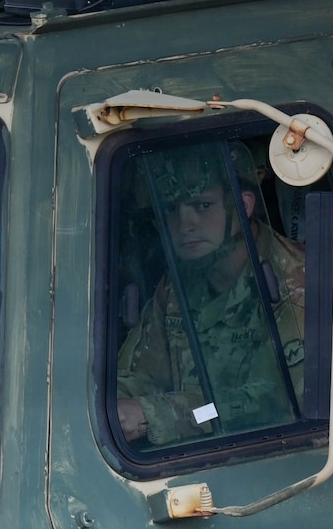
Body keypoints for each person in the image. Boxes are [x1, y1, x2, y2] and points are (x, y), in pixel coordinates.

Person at [115, 140, 307, 447]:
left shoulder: (297, 283)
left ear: (243, 207)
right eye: (170, 210)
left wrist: (157, 415)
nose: (185, 224)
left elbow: (270, 403)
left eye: (202, 206)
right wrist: (112, 407)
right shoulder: (176, 286)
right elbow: (141, 375)